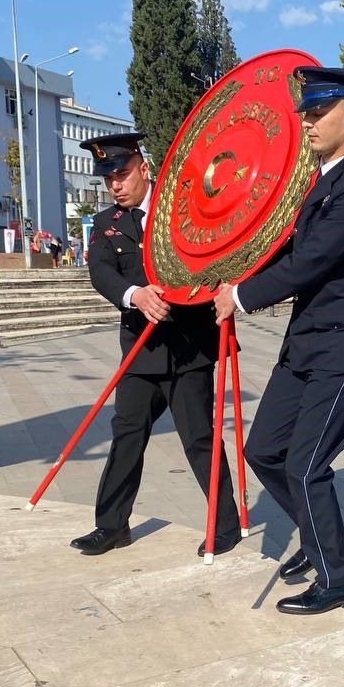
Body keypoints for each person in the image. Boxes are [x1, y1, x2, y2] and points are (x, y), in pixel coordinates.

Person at [214, 67, 344, 616]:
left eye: (318, 112)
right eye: (305, 113)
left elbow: (312, 262)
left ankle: (340, 577)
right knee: (264, 451)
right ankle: (319, 541)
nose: (308, 122)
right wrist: (233, 270)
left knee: (306, 465)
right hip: (306, 345)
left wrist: (240, 298)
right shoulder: (324, 179)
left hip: (342, 349)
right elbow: (287, 251)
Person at [71, 132, 241, 557]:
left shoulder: (183, 210)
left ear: (144, 169)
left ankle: (225, 526)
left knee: (200, 438)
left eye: (122, 174)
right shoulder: (107, 224)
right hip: (141, 351)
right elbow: (101, 271)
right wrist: (134, 295)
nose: (115, 184)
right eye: (108, 177)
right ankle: (111, 526)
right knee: (126, 434)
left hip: (189, 348)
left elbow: (219, 250)